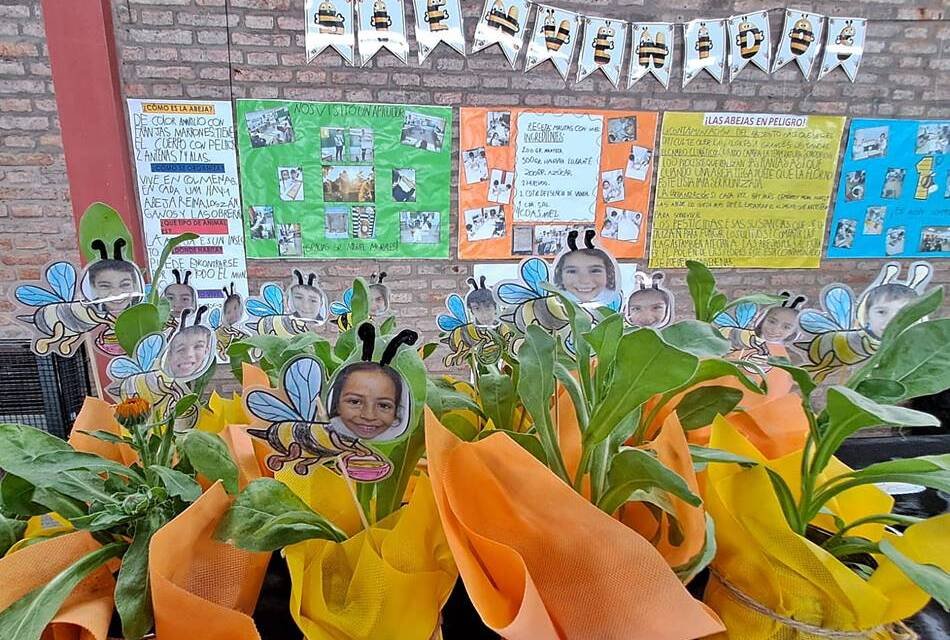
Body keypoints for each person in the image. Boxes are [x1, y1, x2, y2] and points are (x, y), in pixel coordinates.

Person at [329, 362, 404, 441]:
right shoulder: (322, 431)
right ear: (337, 404)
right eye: (355, 402)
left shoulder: (402, 441)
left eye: (383, 405)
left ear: (396, 411)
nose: (369, 416)